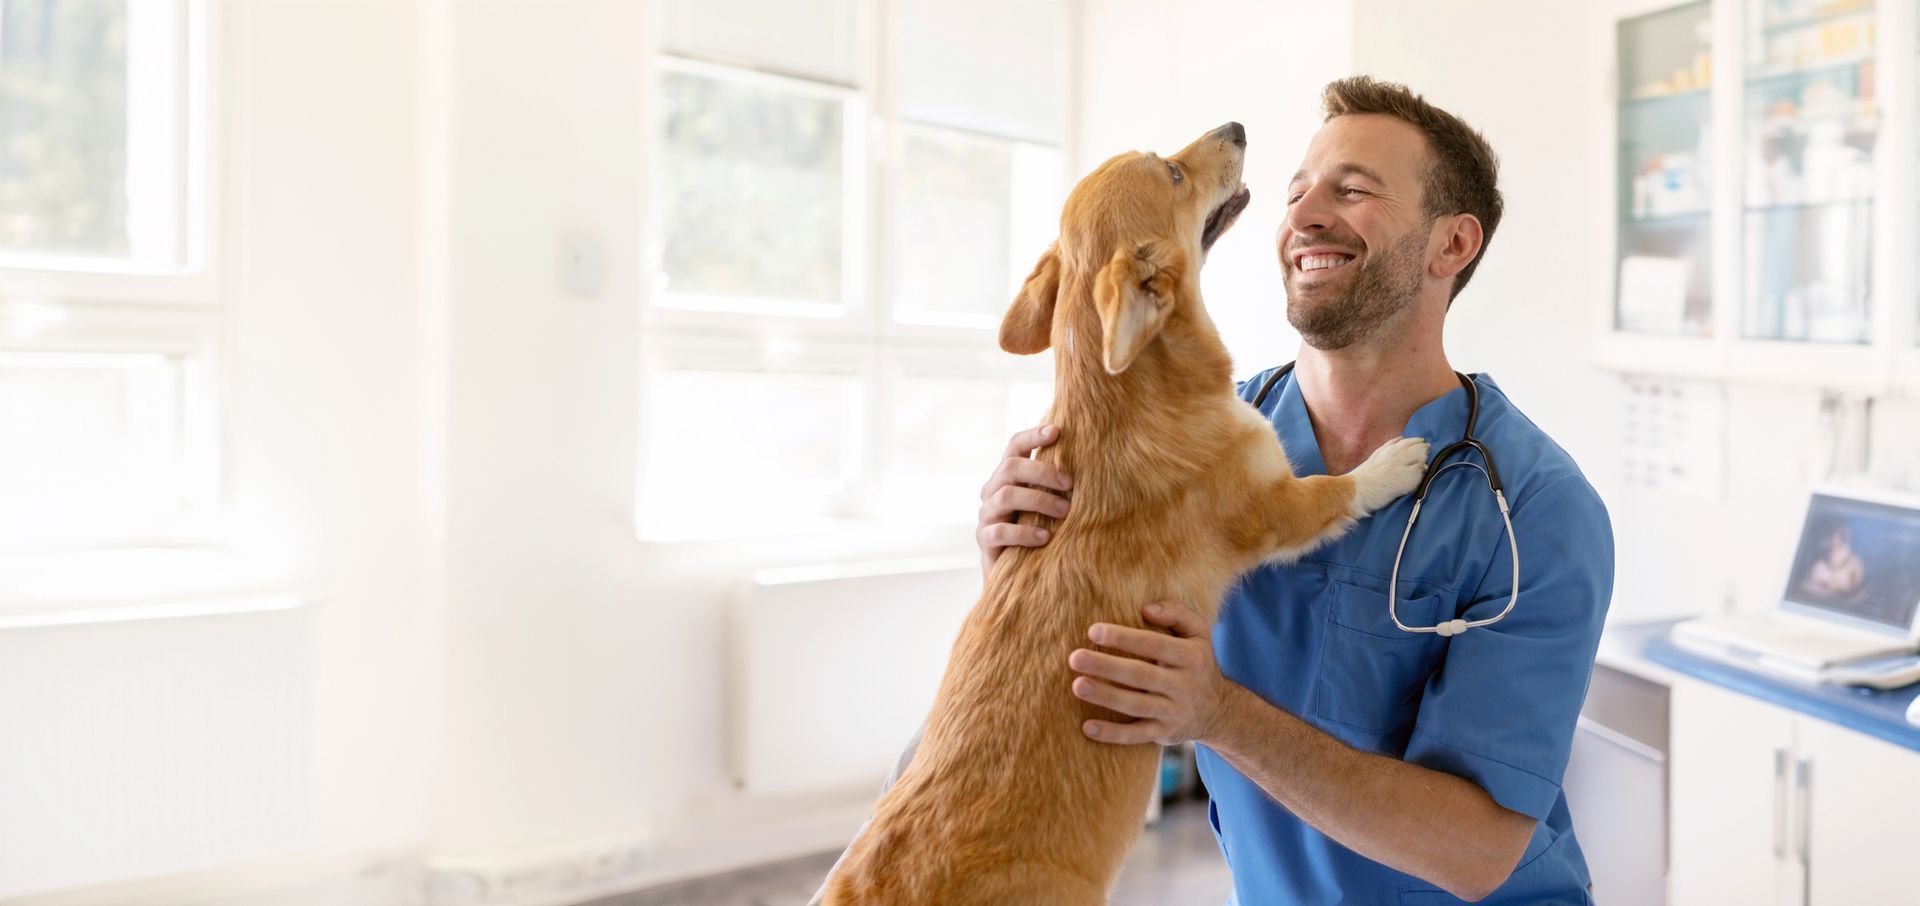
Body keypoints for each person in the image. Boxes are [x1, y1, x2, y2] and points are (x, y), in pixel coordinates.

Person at [976, 76, 1613, 903]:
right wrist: (1019, 566)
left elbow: (1477, 850)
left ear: (1451, 246)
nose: (1304, 217)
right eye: (1296, 192)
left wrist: (1219, 714)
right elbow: (1095, 677)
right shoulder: (1190, 452)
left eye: (1352, 191)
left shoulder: (1535, 509)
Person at [1800, 521, 1864, 598]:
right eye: (1832, 537)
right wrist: (1832, 593)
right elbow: (1804, 586)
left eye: (1840, 537)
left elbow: (1858, 593)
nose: (1834, 541)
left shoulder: (1854, 563)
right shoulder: (1819, 564)